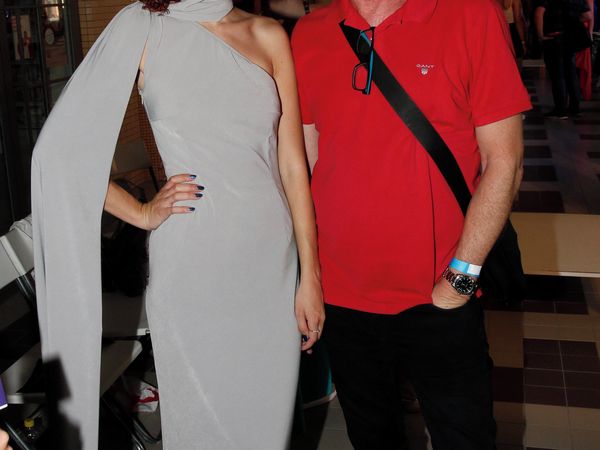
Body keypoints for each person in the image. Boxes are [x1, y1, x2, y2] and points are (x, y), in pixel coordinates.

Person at [31, 0, 323, 449]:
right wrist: (142, 212)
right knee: (202, 424)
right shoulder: (142, 27)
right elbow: (60, 153)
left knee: (266, 428)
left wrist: (311, 276)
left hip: (270, 266)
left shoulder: (269, 34)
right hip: (192, 267)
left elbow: (292, 165)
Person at [292, 0, 530, 448]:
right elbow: (306, 164)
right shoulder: (310, 31)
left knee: (465, 438)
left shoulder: (470, 15)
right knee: (372, 438)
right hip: (343, 297)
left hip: (440, 294)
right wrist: (310, 275)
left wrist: (459, 280)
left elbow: (506, 161)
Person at [535, 0, 592, 118]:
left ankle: (560, 110)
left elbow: (539, 13)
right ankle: (575, 108)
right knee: (571, 73)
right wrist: (571, 22)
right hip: (569, 37)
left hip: (553, 37)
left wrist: (540, 35)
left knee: (558, 75)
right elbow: (588, 16)